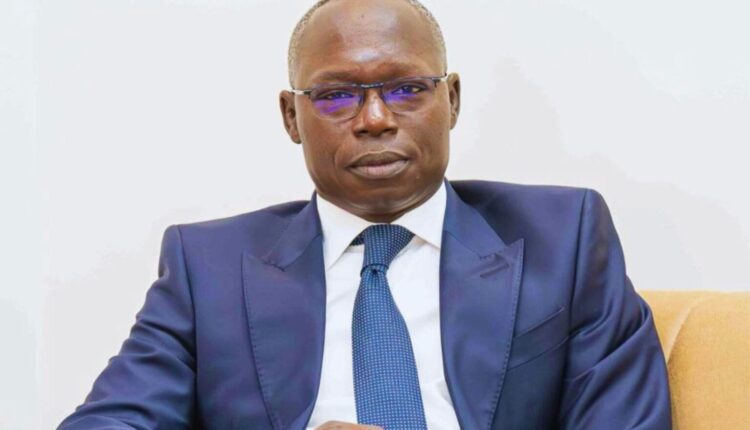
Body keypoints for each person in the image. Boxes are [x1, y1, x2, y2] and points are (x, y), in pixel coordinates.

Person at [58, 0, 672, 429]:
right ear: (291, 117)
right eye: (335, 96)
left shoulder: (563, 238)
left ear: (452, 101)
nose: (375, 119)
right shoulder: (207, 269)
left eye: (407, 89)